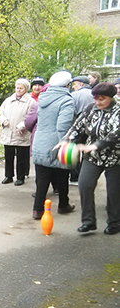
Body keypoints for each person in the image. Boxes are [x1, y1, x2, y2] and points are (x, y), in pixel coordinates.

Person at [60, 82, 120, 235]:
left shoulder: (118, 111)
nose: (97, 102)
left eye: (102, 99)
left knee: (114, 192)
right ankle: (88, 222)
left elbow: (115, 134)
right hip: (92, 157)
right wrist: (66, 140)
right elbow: (77, 126)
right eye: (95, 99)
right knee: (85, 185)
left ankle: (114, 223)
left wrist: (96, 145)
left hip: (115, 158)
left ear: (111, 98)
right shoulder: (90, 109)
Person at [31, 71, 76, 220]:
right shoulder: (66, 100)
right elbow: (63, 126)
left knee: (42, 177)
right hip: (56, 142)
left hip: (39, 141)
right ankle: (63, 205)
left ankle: (37, 210)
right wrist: (65, 144)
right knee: (62, 175)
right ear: (67, 85)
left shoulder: (43, 98)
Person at [0, 78, 35, 186]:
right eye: (17, 87)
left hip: (21, 133)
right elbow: (0, 112)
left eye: (21, 88)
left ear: (26, 89)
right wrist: (3, 120)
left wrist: (22, 126)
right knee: (8, 156)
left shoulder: (30, 101)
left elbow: (31, 116)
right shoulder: (8, 100)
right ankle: (8, 176)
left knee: (21, 158)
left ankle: (20, 177)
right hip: (8, 132)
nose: (18, 90)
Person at [69, 75, 94, 184]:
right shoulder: (95, 94)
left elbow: (71, 112)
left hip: (79, 127)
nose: (73, 86)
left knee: (75, 151)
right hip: (93, 128)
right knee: (87, 151)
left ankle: (74, 177)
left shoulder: (75, 95)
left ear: (81, 84)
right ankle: (85, 176)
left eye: (75, 84)